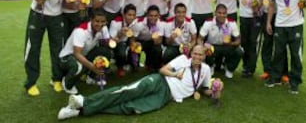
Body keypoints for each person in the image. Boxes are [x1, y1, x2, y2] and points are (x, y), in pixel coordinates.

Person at [57, 45, 212, 120]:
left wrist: (214, 91)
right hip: (160, 81)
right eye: (195, 54)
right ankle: (84, 100)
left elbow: (205, 88)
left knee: (132, 108)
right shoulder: (183, 59)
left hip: (167, 96)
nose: (197, 57)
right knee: (127, 92)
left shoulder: (205, 70)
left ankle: (80, 110)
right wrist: (175, 74)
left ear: (205, 56)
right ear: (191, 53)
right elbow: (162, 70)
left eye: (201, 54)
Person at [24, 0, 80, 96]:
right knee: (33, 48)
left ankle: (56, 79)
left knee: (58, 50)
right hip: (38, 13)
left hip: (56, 15)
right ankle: (31, 82)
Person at [265, 0, 306, 94]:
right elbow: (272, 6)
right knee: (278, 53)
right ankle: (275, 78)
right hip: (280, 25)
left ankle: (295, 81)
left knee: (296, 55)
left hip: (296, 25)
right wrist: (268, 22)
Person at [59, 9, 112, 94]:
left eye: (103, 21)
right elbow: (77, 54)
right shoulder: (81, 31)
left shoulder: (103, 28)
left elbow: (107, 45)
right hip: (68, 57)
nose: (100, 24)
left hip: (84, 54)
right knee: (78, 66)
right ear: (91, 20)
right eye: (97, 21)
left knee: (105, 52)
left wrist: (115, 38)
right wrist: (93, 67)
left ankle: (90, 77)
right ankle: (66, 82)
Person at [256, 0, 288, 83]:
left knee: (280, 44)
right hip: (265, 14)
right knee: (267, 43)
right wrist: (258, 6)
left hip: (279, 15)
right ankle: (267, 70)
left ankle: (284, 72)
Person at [234, 0, 262, 78]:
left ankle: (251, 68)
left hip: (255, 16)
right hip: (243, 16)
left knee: (252, 42)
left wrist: (259, 5)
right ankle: (246, 66)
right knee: (244, 43)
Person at [198, 4, 242, 78]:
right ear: (215, 13)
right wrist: (202, 47)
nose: (222, 15)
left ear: (226, 13)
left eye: (224, 13)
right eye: (219, 13)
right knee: (207, 49)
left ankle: (229, 69)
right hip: (212, 47)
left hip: (227, 46)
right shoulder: (208, 22)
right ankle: (210, 66)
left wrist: (231, 43)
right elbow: (200, 38)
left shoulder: (231, 23)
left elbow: (238, 40)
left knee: (239, 51)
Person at [109, 4, 142, 77]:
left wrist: (134, 44)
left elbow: (133, 39)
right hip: (117, 42)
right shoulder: (115, 22)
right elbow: (112, 42)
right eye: (129, 15)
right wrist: (120, 34)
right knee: (121, 50)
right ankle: (120, 67)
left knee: (137, 46)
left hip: (127, 41)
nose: (131, 17)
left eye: (133, 15)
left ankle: (133, 64)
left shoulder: (136, 23)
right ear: (124, 15)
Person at [137, 5, 166, 70]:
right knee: (135, 47)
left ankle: (154, 65)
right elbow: (133, 38)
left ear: (159, 16)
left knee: (157, 49)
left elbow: (159, 41)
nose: (153, 18)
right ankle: (133, 64)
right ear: (147, 15)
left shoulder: (161, 23)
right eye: (151, 15)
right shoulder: (139, 23)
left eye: (155, 16)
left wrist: (154, 34)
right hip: (140, 41)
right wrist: (136, 44)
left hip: (151, 42)